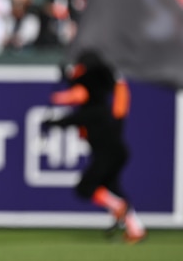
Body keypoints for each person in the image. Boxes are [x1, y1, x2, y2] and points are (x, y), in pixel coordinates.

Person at [42, 50, 146, 244]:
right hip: (116, 152)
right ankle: (136, 228)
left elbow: (75, 106)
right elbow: (77, 93)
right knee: (112, 188)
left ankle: (118, 207)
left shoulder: (94, 109)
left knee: (85, 187)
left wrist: (53, 119)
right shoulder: (100, 106)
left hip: (109, 154)